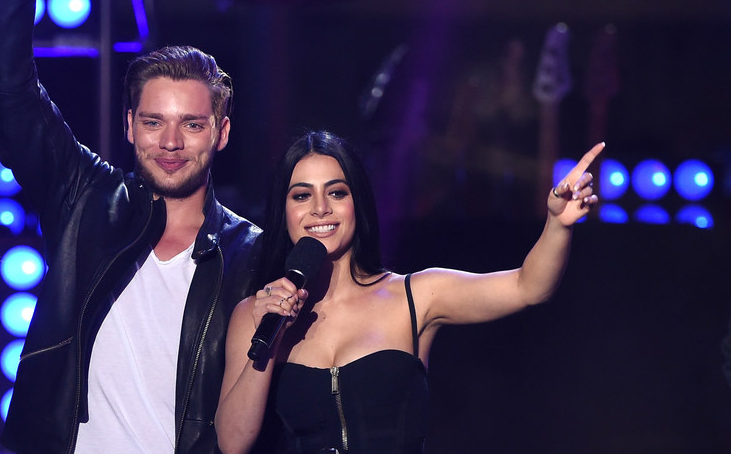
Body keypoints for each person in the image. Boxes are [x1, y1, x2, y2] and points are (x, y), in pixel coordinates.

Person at [0, 0, 262, 454]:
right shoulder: (83, 199)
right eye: (154, 121)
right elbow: (6, 81)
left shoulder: (249, 252)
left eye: (191, 124)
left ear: (221, 132)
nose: (170, 141)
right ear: (128, 125)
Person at [214, 130, 604, 454]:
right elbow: (232, 443)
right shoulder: (256, 313)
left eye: (336, 192)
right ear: (284, 211)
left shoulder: (415, 296)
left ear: (357, 204)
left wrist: (558, 224)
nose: (319, 209)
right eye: (301, 195)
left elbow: (528, 287)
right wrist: (270, 336)